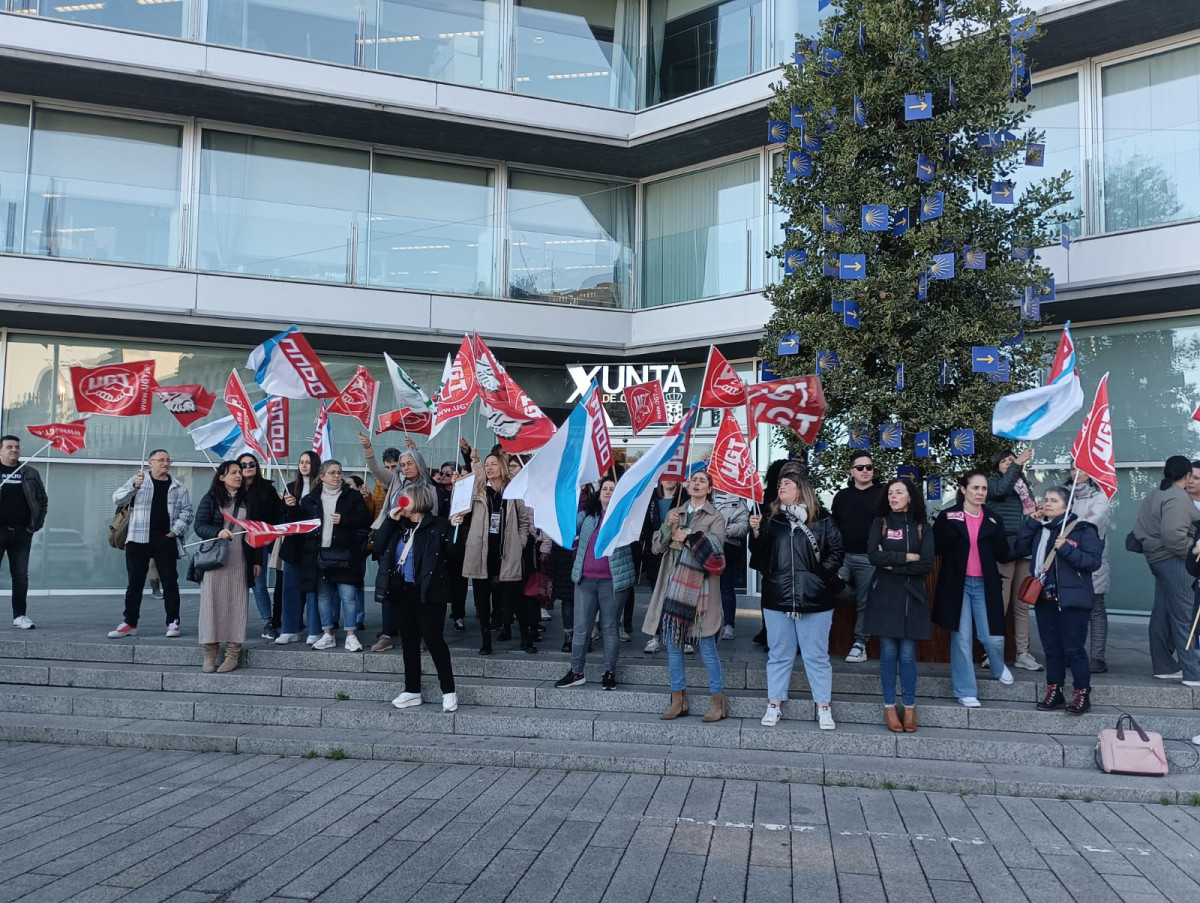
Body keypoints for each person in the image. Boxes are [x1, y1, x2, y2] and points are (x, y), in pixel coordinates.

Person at [748, 466, 844, 730]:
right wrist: (756, 533)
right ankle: (774, 704)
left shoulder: (823, 518)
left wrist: (818, 577)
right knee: (779, 654)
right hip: (778, 597)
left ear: (800, 489)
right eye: (780, 484)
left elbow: (836, 551)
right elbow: (759, 558)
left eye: (787, 483)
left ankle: (823, 706)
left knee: (817, 656)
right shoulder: (771, 519)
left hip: (815, 599)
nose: (781, 487)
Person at [645, 470, 728, 722]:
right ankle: (678, 699)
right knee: (673, 646)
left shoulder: (716, 517)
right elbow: (657, 547)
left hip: (702, 591)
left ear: (710, 489)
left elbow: (715, 550)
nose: (695, 483)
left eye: (702, 481)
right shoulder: (676, 512)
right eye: (693, 480)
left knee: (707, 646)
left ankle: (718, 702)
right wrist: (667, 527)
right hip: (674, 588)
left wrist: (688, 537)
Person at [1013, 486, 1104, 714]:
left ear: (1068, 505)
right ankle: (1055, 691)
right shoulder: (1041, 528)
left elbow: (1093, 562)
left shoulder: (1083, 529)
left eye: (1053, 500)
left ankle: (1082, 693)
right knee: (1051, 648)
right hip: (1044, 598)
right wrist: (1032, 522)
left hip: (1072, 599)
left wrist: (1066, 549)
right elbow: (1019, 548)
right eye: (1046, 499)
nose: (1047, 503)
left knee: (1073, 648)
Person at [932, 470, 1014, 707]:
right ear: (963, 489)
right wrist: (952, 528)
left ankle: (998, 665)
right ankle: (965, 690)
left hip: (985, 585)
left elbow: (1003, 553)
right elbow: (937, 547)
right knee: (962, 639)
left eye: (984, 488)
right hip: (957, 585)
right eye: (975, 488)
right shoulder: (949, 516)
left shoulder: (993, 518)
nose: (980, 493)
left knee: (992, 637)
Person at [375, 484, 457, 713]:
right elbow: (378, 546)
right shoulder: (398, 525)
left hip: (429, 591)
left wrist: (457, 528)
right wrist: (389, 521)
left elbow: (453, 553)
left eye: (405, 498)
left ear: (419, 500)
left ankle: (448, 691)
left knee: (434, 640)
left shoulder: (438, 525)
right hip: (402, 590)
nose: (401, 502)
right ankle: (412, 690)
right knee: (408, 641)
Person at [865, 478, 934, 732]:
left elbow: (925, 563)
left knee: (907, 654)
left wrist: (892, 565)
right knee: (888, 653)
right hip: (885, 594)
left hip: (912, 596)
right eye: (890, 493)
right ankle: (889, 708)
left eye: (899, 492)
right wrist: (905, 557)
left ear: (910, 496)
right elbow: (874, 556)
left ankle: (910, 708)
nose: (893, 497)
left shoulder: (922, 527)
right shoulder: (880, 523)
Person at [555, 477, 635, 691]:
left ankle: (609, 672)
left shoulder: (625, 516)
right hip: (585, 580)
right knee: (581, 628)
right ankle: (576, 671)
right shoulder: (589, 515)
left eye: (613, 489)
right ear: (598, 494)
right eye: (605, 488)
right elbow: (568, 524)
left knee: (610, 627)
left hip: (612, 582)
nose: (608, 491)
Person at [284, 460, 372, 651]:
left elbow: (366, 519)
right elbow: (300, 523)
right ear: (322, 476)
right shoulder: (311, 499)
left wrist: (345, 519)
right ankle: (327, 634)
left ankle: (351, 635)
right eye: (332, 473)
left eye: (339, 472)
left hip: (345, 554)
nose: (337, 476)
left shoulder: (352, 496)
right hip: (319, 554)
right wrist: (291, 507)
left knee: (348, 595)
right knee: (323, 596)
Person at [453, 447, 534, 655]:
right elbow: (459, 508)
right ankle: (485, 641)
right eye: (487, 464)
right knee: (482, 600)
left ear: (503, 467)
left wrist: (520, 543)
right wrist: (457, 484)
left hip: (507, 552)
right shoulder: (478, 491)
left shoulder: (514, 491)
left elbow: (524, 521)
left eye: (494, 464)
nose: (489, 468)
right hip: (482, 552)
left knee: (515, 597)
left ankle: (525, 638)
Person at [109, 450, 193, 639]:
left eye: (168, 460)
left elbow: (187, 511)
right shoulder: (138, 480)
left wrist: (175, 531)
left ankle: (173, 622)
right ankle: (130, 623)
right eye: (161, 460)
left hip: (165, 538)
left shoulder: (178, 486)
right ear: (150, 463)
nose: (165, 463)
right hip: (138, 537)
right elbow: (117, 498)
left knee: (170, 582)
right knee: (135, 582)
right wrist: (133, 486)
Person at [1133, 455, 1200, 686]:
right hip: (1174, 560)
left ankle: (1164, 666)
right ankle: (1193, 672)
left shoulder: (1157, 493)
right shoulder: (1177, 497)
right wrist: (1193, 553)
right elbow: (1174, 537)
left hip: (1158, 559)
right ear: (1187, 475)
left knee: (1162, 614)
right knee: (1185, 617)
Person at [193, 461, 259, 673]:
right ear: (221, 477)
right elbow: (199, 526)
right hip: (215, 559)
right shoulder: (211, 498)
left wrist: (257, 560)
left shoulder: (248, 500)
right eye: (233, 473)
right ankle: (210, 653)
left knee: (237, 605)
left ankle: (232, 654)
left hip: (240, 560)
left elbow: (256, 531)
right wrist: (217, 532)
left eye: (240, 472)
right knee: (211, 606)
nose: (239, 476)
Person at [987, 447, 1043, 672]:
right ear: (997, 466)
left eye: (1013, 460)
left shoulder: (1024, 486)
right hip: (1004, 547)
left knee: (1022, 604)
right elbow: (1001, 491)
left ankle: (1022, 653)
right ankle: (993, 652)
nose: (1010, 463)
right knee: (1000, 603)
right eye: (1005, 461)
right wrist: (1018, 462)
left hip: (1024, 546)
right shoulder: (992, 483)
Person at [831, 454, 883, 664]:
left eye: (869, 467)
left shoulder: (882, 494)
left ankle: (860, 644)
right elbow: (833, 526)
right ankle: (863, 596)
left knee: (865, 602)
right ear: (851, 471)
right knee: (829, 585)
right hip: (842, 556)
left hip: (868, 557)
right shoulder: (841, 496)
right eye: (860, 467)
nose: (865, 471)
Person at [0, 436, 47, 630]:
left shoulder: (29, 473)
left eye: (17, 447)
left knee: (20, 576)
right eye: (9, 447)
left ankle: (20, 616)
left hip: (22, 532)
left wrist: (34, 525)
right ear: (0, 451)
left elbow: (42, 499)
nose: (14, 450)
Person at [1069, 465, 1112, 673]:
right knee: (1070, 608)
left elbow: (1092, 522)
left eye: (1081, 469)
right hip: (1066, 558)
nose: (1075, 473)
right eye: (1072, 469)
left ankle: (1097, 658)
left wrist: (1070, 525)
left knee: (1095, 608)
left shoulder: (1100, 496)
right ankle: (1071, 653)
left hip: (1093, 559)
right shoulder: (1065, 493)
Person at [236, 454, 281, 641]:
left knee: (258, 583)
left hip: (257, 542)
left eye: (252, 464)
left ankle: (268, 622)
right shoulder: (231, 488)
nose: (248, 467)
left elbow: (277, 514)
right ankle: (233, 624)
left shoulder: (266, 489)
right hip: (234, 542)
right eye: (244, 464)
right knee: (235, 584)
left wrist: (270, 534)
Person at [276, 450, 320, 644]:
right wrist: (289, 507)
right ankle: (289, 629)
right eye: (301, 462)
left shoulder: (321, 488)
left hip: (314, 544)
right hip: (293, 545)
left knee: (313, 590)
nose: (304, 465)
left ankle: (314, 630)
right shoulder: (291, 487)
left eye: (308, 462)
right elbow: (282, 519)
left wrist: (299, 508)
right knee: (290, 588)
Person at [642, 477, 683, 654]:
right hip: (656, 554)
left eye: (673, 475)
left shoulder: (684, 498)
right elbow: (646, 526)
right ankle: (656, 636)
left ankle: (682, 636)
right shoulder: (652, 500)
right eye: (666, 475)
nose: (669, 479)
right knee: (657, 597)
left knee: (679, 598)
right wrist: (653, 545)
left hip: (677, 554)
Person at [713, 490, 749, 640]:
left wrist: (724, 530)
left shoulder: (738, 500)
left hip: (726, 548)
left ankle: (728, 624)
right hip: (704, 547)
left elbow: (744, 526)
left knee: (726, 587)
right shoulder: (706, 497)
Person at [344, 474, 373, 632]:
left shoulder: (364, 500)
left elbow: (366, 522)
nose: (346, 487)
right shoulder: (342, 499)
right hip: (343, 547)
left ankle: (358, 618)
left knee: (357, 584)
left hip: (358, 547)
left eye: (350, 484)